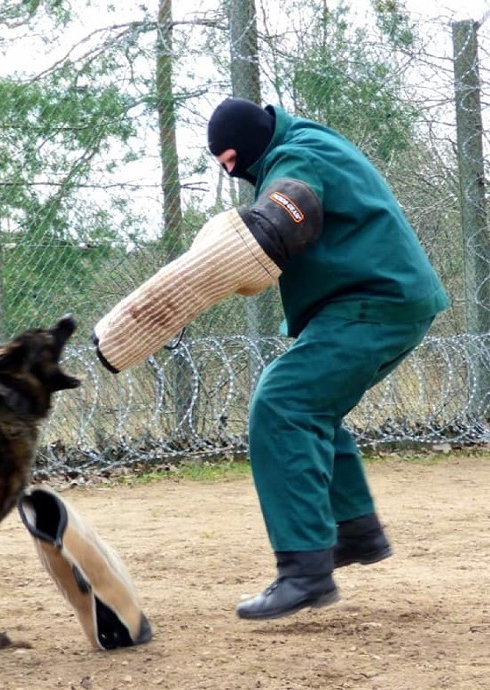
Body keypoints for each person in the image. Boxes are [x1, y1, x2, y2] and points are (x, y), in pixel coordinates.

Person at [92, 96, 448, 621]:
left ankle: (304, 572)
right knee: (313, 406)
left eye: (230, 160)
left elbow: (285, 213)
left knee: (282, 405)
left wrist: (182, 290)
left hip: (373, 302)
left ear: (242, 150)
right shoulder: (308, 139)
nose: (229, 171)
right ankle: (353, 530)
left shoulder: (296, 158)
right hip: (387, 300)